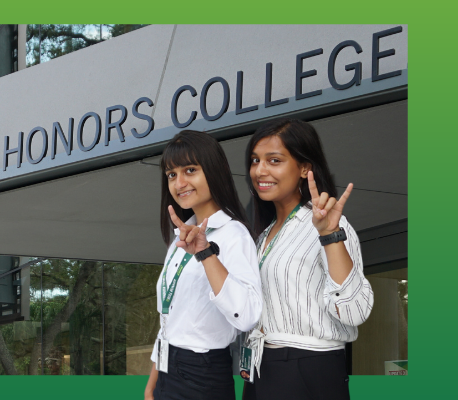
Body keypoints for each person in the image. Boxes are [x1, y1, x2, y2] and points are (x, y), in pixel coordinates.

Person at [241, 119, 374, 400]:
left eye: (274, 160)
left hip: (309, 366)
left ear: (305, 168)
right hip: (262, 367)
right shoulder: (262, 237)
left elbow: (355, 311)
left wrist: (329, 235)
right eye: (255, 160)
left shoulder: (329, 225)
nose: (260, 170)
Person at [144, 130, 262, 400]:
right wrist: (152, 384)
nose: (179, 182)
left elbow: (247, 316)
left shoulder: (234, 235)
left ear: (215, 170)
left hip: (202, 375)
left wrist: (206, 253)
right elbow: (169, 322)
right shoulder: (179, 240)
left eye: (190, 170)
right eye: (172, 174)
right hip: (166, 370)